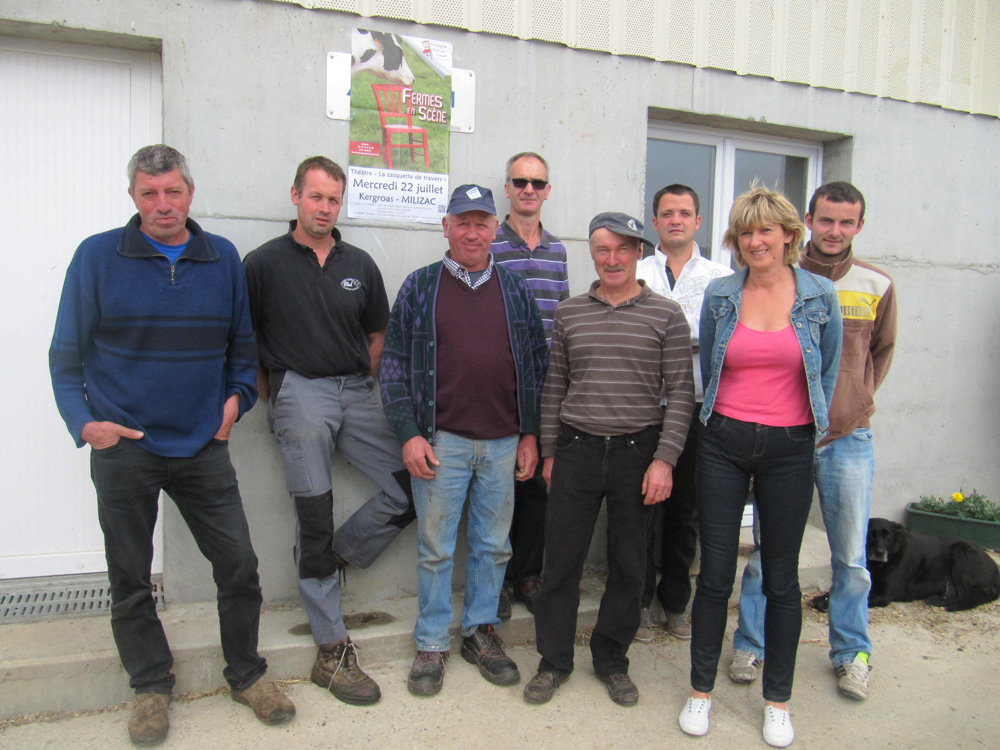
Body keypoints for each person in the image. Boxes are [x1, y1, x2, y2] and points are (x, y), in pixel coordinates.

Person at [49, 145, 295, 746]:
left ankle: (247, 674)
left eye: (173, 192)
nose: (162, 205)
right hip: (124, 446)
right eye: (149, 193)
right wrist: (87, 426)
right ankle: (151, 687)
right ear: (133, 196)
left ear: (190, 191)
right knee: (130, 574)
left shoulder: (221, 259)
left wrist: (235, 403)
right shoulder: (97, 257)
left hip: (201, 446)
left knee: (238, 565)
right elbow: (65, 358)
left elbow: (243, 350)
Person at [242, 156, 414, 707]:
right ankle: (331, 646)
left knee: (414, 481)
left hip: (357, 392)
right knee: (313, 510)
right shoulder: (262, 263)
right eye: (315, 197)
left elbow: (376, 334)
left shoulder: (359, 263)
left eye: (333, 199)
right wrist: (284, 393)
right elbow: (242, 342)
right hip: (299, 393)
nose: (324, 208)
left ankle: (335, 555)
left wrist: (357, 382)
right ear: (295, 196)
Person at [678, 185, 842, 748]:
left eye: (765, 230)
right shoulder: (723, 293)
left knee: (780, 578)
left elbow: (828, 370)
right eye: (745, 232)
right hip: (722, 441)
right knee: (716, 574)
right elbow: (709, 363)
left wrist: (808, 429)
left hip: (791, 447)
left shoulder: (820, 295)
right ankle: (700, 693)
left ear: (789, 236)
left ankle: (777, 702)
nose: (755, 241)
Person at [379, 184, 548, 697]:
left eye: (482, 221)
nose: (473, 231)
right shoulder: (420, 286)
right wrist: (408, 433)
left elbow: (536, 366)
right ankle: (431, 642)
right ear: (446, 227)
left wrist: (530, 433)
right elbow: (392, 366)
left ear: (496, 227)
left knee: (494, 547)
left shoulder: (515, 290)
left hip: (501, 442)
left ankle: (480, 633)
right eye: (463, 221)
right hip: (441, 441)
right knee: (434, 548)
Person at [730, 182, 896, 701]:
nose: (835, 231)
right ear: (808, 220)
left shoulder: (876, 284)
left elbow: (881, 353)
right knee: (769, 550)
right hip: (788, 437)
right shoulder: (783, 279)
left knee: (849, 557)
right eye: (827, 220)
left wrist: (853, 402)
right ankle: (751, 642)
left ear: (860, 226)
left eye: (847, 223)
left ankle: (851, 654)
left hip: (847, 439)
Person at [523, 212, 695, 707]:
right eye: (602, 249)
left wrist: (665, 460)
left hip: (637, 453)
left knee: (628, 566)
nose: (613, 258)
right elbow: (555, 385)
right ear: (592, 254)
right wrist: (551, 451)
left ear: (639, 253)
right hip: (576, 449)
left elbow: (681, 393)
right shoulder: (570, 313)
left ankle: (611, 660)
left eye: (623, 249)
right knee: (559, 566)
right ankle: (553, 662)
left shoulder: (666, 315)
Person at [635, 184, 732, 641]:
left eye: (685, 213)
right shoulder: (635, 271)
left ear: (698, 222)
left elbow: (724, 340)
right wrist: (684, 340)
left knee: (684, 511)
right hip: (640, 409)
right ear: (655, 222)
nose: (676, 219)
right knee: (638, 509)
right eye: (667, 213)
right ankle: (635, 602)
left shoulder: (721, 277)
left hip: (695, 408)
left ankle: (675, 603)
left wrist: (667, 339)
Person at [491, 151, 570, 618]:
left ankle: (527, 574)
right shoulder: (489, 244)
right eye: (519, 181)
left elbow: (563, 319)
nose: (528, 189)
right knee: (498, 485)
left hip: (544, 386)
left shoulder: (558, 251)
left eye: (537, 183)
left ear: (547, 190)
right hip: (499, 385)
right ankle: (496, 579)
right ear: (507, 188)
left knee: (539, 485)